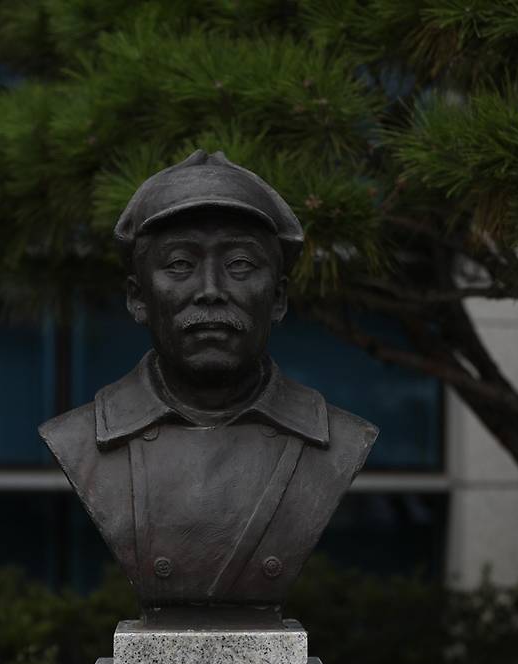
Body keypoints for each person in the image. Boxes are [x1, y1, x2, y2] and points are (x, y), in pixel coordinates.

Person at [39, 150, 378, 618]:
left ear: (277, 298)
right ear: (138, 298)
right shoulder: (81, 441)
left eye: (240, 264)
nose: (211, 289)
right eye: (179, 264)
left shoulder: (338, 442)